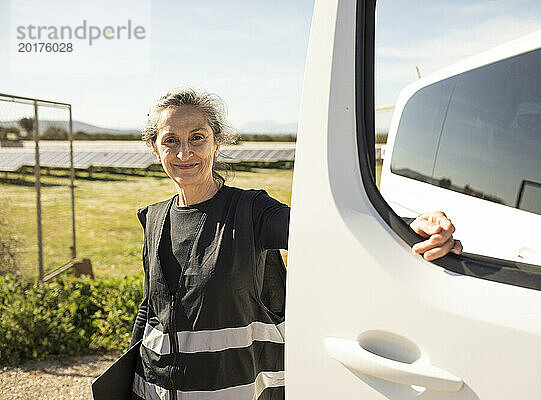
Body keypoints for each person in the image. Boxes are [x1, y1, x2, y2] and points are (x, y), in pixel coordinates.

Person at [129, 87, 462, 400]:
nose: (184, 152)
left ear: (216, 144)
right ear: (156, 148)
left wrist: (408, 229)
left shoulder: (251, 212)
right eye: (170, 140)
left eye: (197, 138)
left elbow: (327, 231)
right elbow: (149, 309)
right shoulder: (155, 219)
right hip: (152, 388)